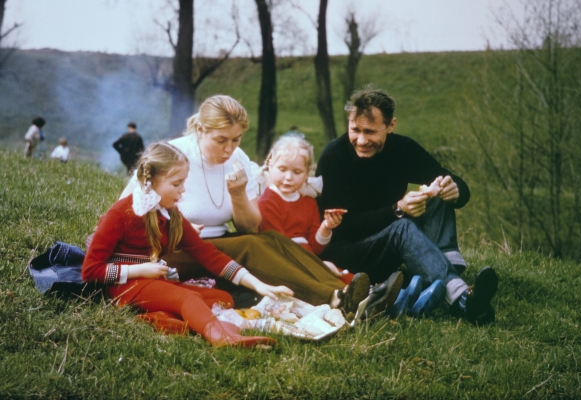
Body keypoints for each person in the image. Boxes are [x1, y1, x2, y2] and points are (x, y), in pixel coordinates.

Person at [120, 95, 380, 318]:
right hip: (171, 250)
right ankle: (333, 299)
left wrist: (238, 195)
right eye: (221, 140)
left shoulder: (238, 158)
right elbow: (124, 213)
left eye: (236, 140)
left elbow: (249, 226)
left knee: (272, 239)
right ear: (200, 130)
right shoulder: (171, 155)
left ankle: (346, 288)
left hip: (215, 245)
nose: (229, 149)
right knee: (250, 245)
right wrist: (174, 228)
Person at [316, 88, 498, 324]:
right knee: (402, 228)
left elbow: (445, 177)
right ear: (348, 124)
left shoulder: (402, 148)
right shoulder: (333, 157)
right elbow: (344, 227)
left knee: (436, 191)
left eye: (370, 132)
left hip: (388, 240)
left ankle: (445, 271)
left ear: (390, 125)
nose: (361, 140)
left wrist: (455, 190)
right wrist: (397, 210)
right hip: (349, 253)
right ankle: (463, 300)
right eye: (355, 130)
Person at [83, 142, 291, 347]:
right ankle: (222, 338)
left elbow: (207, 254)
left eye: (184, 183)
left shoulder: (170, 213)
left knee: (223, 298)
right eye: (176, 184)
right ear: (151, 182)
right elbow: (90, 271)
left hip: (152, 282)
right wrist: (141, 269)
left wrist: (258, 284)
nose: (183, 190)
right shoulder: (120, 214)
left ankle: (161, 318)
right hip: (123, 287)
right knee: (188, 297)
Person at [258, 134, 353, 285]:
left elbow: (315, 247)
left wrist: (326, 227)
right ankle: (352, 296)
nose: (288, 177)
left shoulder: (309, 202)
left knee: (343, 276)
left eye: (297, 172)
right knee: (331, 279)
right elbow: (279, 245)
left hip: (308, 258)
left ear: (307, 173)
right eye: (282, 169)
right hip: (284, 263)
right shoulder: (268, 201)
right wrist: (317, 264)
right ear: (270, 165)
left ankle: (372, 293)